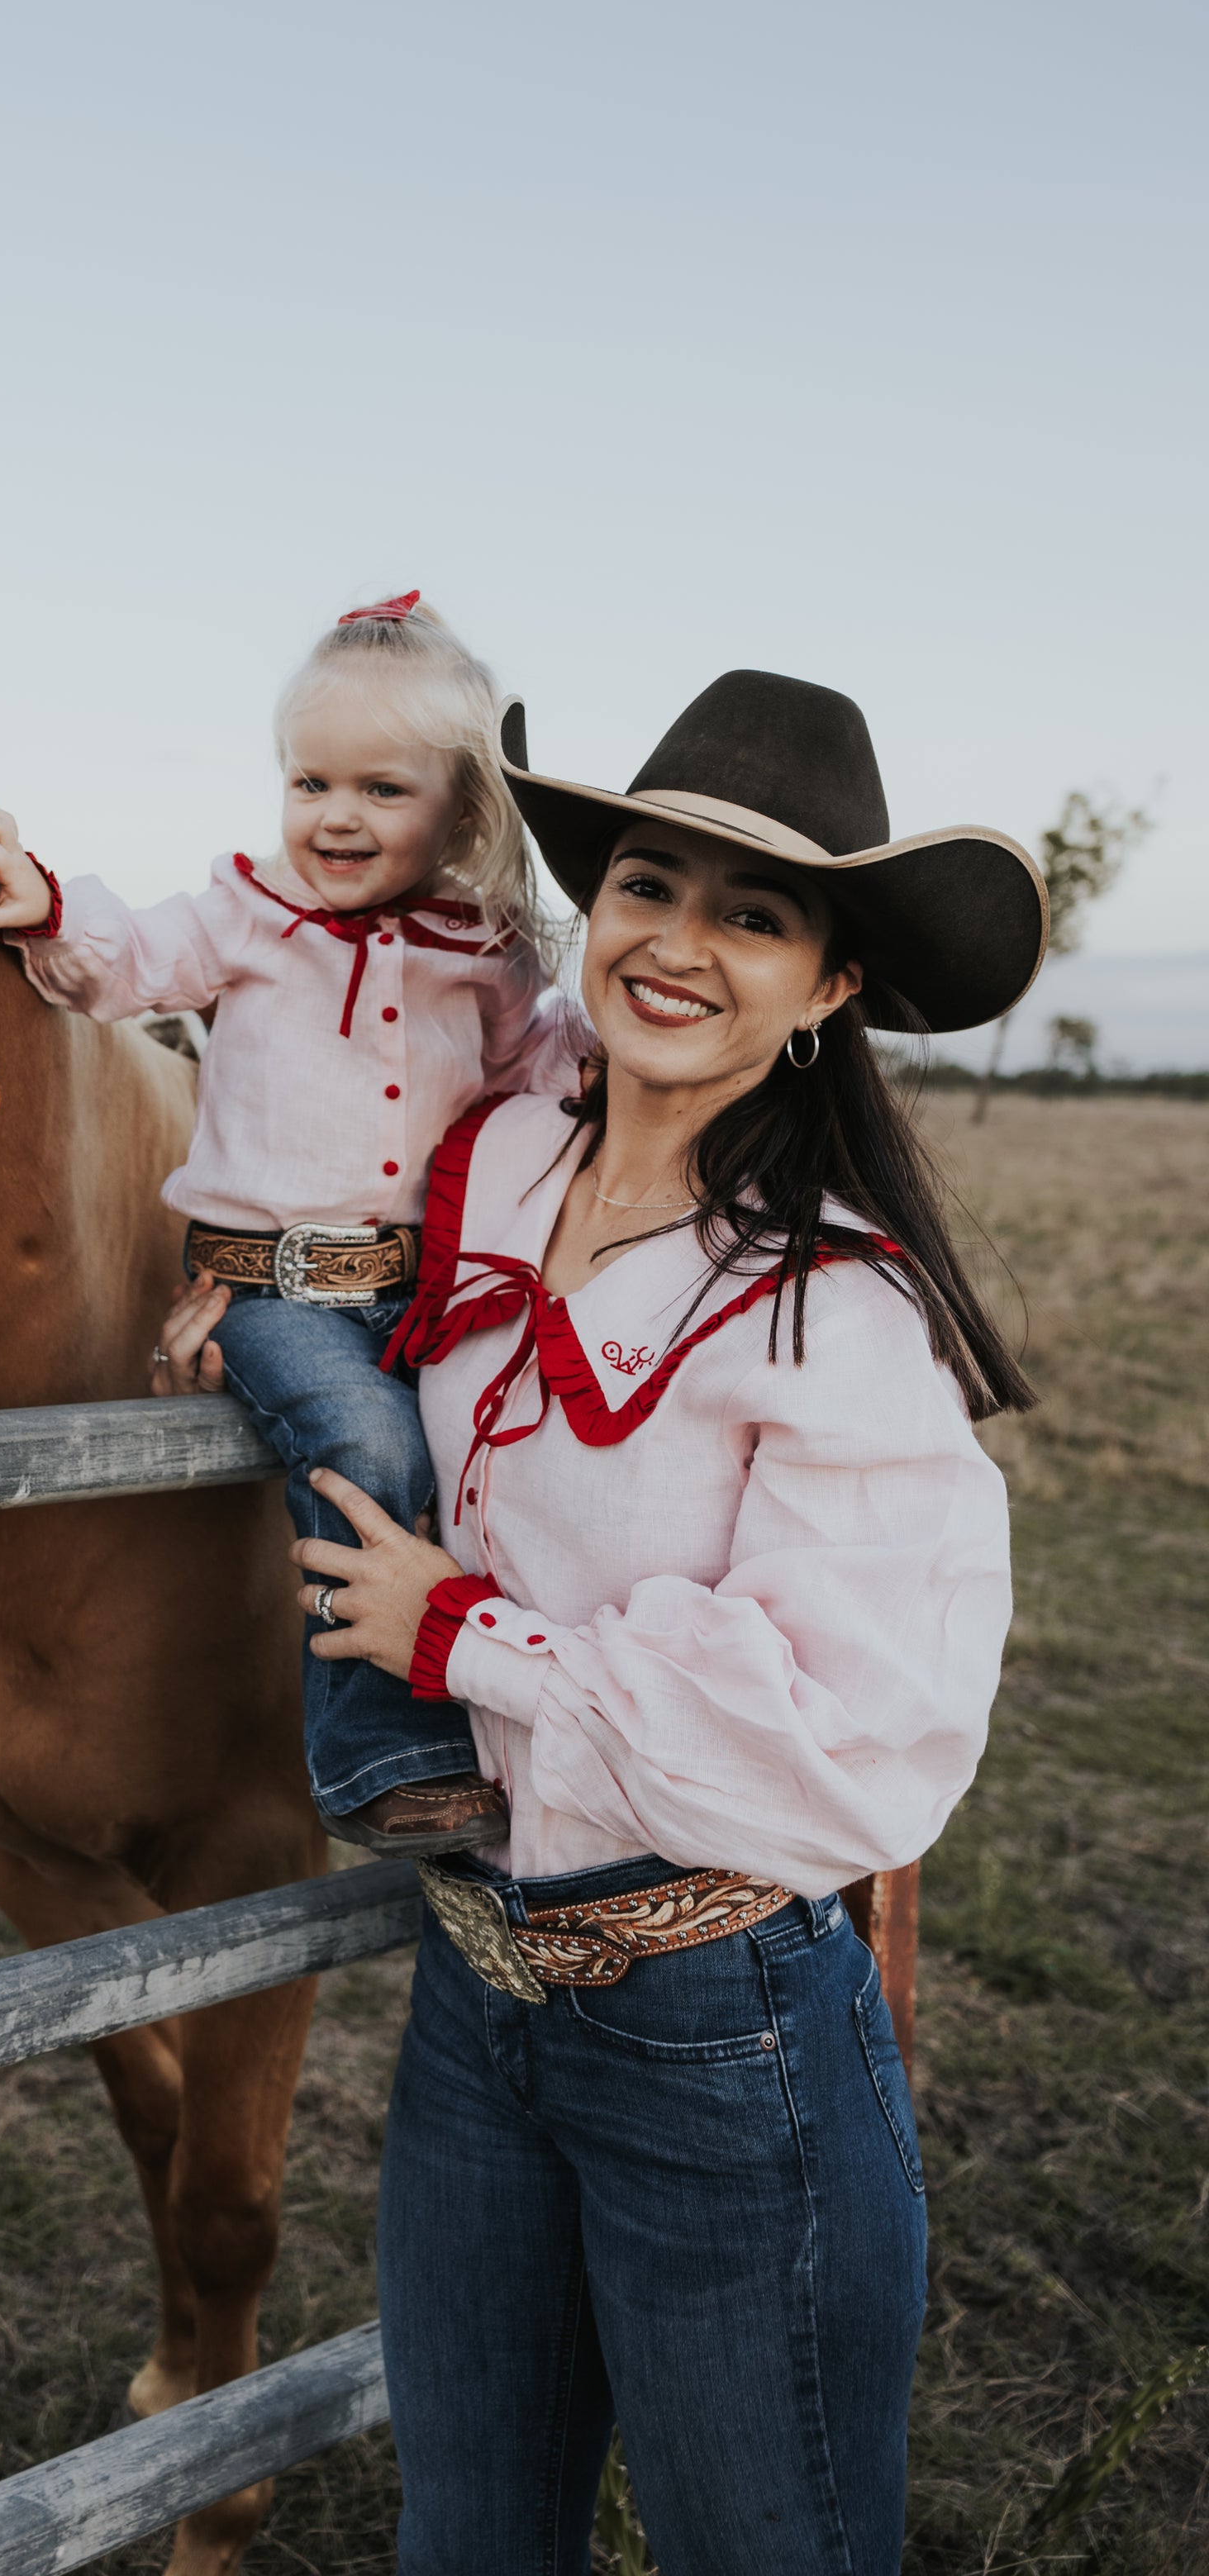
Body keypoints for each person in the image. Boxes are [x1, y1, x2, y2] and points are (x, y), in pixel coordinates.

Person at [153, 668, 1048, 2574]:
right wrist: (251, 1277)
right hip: (476, 1990)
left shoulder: (835, 1310)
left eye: (756, 915)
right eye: (649, 885)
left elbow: (853, 1728)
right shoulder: (508, 1153)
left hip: (720, 2025)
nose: (680, 943)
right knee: (468, 2538)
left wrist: (463, 1637)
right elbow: (327, 1090)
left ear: (831, 988)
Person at [0, 593, 588, 1855]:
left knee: (493, 1466)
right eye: (310, 782)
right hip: (267, 1291)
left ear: (463, 807)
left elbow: (533, 1068)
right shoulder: (246, 914)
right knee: (370, 1447)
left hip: (416, 1292)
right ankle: (379, 1762)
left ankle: (516, 1722)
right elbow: (129, 960)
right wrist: (45, 903)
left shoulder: (484, 948)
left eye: (381, 789)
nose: (335, 816)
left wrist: (609, 1054)